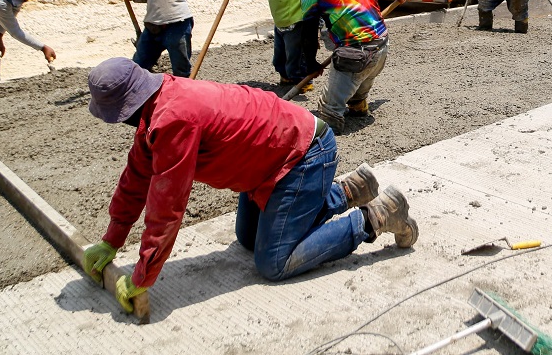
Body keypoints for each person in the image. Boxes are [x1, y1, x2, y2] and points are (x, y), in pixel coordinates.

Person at [80, 58, 418, 312]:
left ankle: (375, 216)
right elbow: (135, 180)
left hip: (305, 154)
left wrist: (143, 274)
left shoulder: (174, 120)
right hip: (274, 164)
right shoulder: (157, 106)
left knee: (274, 262)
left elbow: (166, 207)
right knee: (249, 240)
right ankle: (346, 191)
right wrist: (111, 240)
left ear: (126, 108)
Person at [291, 0, 409, 133]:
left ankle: (332, 123)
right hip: (382, 44)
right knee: (363, 75)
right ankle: (357, 103)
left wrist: (311, 63)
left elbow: (308, 33)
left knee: (328, 110)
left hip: (356, 55)